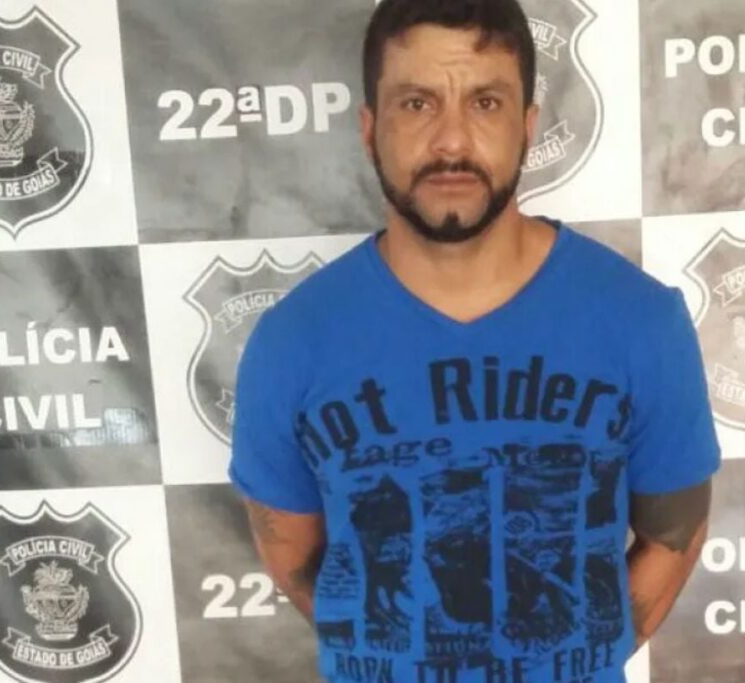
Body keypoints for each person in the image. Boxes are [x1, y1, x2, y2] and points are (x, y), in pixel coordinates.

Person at [229, 0, 720, 681]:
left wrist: (565, 663)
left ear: (527, 127)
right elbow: (292, 558)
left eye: (485, 103)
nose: (452, 142)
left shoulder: (642, 322)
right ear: (370, 129)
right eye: (417, 104)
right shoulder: (291, 342)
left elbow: (674, 536)